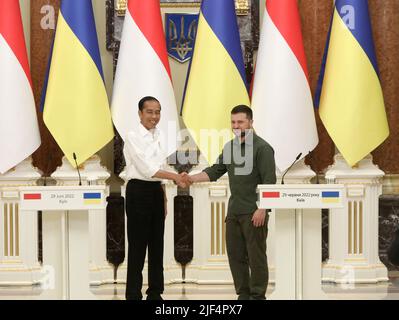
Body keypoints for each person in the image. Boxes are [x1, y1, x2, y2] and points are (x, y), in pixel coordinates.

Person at [182, 105, 276, 300]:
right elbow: (215, 171)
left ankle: (258, 296)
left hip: (254, 212)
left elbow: (269, 182)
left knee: (256, 257)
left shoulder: (263, 148)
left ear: (250, 122)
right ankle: (243, 295)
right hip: (233, 212)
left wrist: (263, 209)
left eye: (240, 122)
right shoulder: (229, 147)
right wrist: (190, 178)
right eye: (233, 122)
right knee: (235, 256)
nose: (236, 126)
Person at [124, 96, 186, 300]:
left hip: (156, 192)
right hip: (138, 191)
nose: (154, 116)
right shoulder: (132, 136)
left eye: (158, 112)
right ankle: (133, 293)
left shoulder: (158, 134)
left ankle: (155, 292)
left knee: (157, 244)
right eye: (150, 112)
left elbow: (162, 167)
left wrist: (165, 197)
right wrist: (176, 177)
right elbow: (147, 169)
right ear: (140, 113)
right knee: (137, 245)